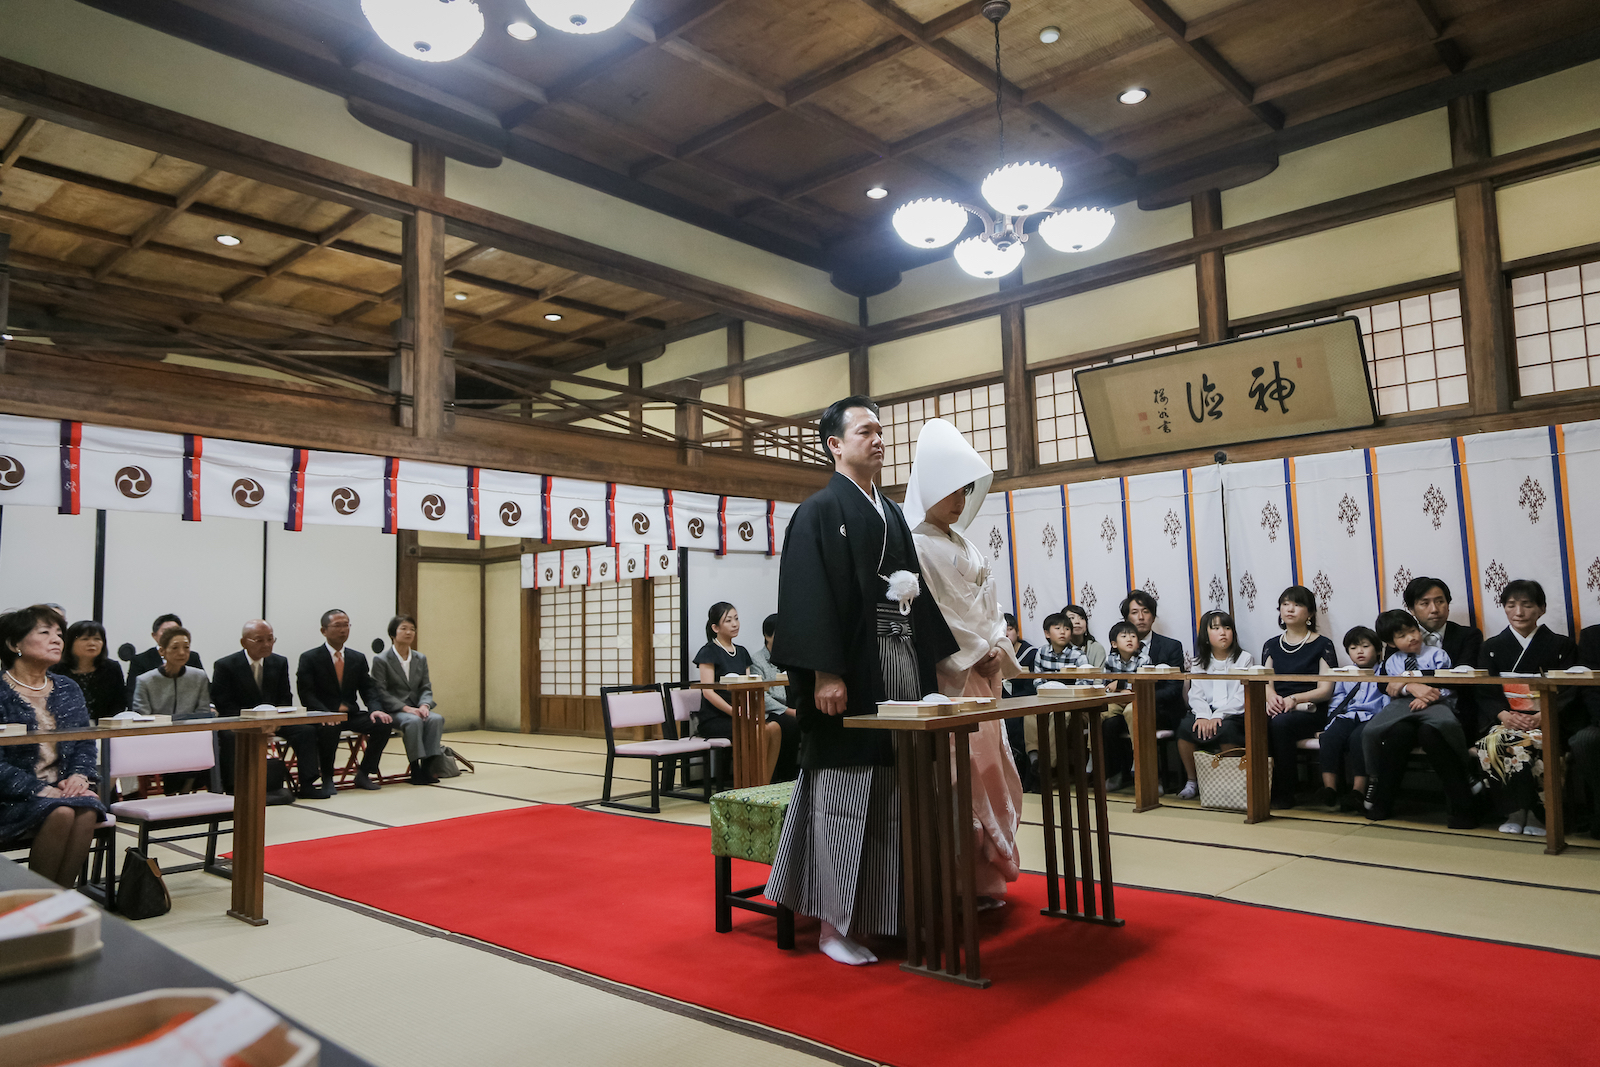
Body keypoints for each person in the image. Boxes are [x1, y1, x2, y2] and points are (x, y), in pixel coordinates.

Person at [766, 395, 958, 967]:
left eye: (881, 431)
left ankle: (885, 912)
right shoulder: (819, 511)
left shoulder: (892, 513)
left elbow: (916, 595)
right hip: (850, 672)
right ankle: (832, 925)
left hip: (897, 669)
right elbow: (806, 594)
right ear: (834, 445)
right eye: (865, 431)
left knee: (895, 796)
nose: (878, 439)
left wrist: (940, 666)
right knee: (846, 800)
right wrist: (824, 670)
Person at [906, 417, 1023, 908]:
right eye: (953, 491)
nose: (960, 501)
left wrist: (999, 645)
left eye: (965, 491)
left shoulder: (966, 545)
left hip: (985, 674)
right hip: (953, 678)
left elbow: (990, 610)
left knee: (992, 767)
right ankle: (954, 884)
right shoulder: (917, 544)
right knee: (957, 775)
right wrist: (980, 651)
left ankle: (984, 880)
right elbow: (941, 615)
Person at [0, 605, 107, 887]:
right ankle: (38, 904)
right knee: (61, 811)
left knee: (86, 810)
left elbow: (83, 741)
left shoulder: (67, 687)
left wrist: (79, 776)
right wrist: (38, 788)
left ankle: (59, 899)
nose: (57, 639)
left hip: (60, 788)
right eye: (45, 632)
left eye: (59, 633)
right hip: (11, 795)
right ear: (14, 644)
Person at [1476, 580, 1577, 836]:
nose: (1519, 612)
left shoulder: (1561, 645)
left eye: (1527, 605)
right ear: (1504, 608)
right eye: (1511, 605)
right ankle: (1515, 810)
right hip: (1508, 718)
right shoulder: (1491, 648)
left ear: (1541, 609)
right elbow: (1485, 691)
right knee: (1492, 742)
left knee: (1531, 744)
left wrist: (1545, 714)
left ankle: (1538, 812)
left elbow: (1570, 689)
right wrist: (1504, 715)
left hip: (1548, 717)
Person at [1361, 608, 1476, 828]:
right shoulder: (1392, 661)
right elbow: (1390, 688)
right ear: (1392, 643)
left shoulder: (1437, 654)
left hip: (1436, 703)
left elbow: (1448, 684)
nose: (1412, 637)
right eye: (1402, 635)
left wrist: (1428, 696)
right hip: (1404, 708)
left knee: (1446, 725)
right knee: (1372, 731)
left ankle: (1466, 774)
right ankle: (1375, 780)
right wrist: (1410, 689)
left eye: (1413, 631)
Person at [296, 609, 391, 793]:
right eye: (337, 625)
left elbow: (368, 688)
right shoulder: (310, 658)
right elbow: (306, 694)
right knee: (329, 727)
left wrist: (375, 709)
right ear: (324, 630)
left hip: (350, 713)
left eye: (346, 625)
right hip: (323, 713)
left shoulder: (357, 657)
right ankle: (327, 777)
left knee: (382, 723)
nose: (343, 630)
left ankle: (364, 773)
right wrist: (325, 713)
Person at [693, 603, 787, 785]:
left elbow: (747, 687)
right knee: (758, 730)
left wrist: (750, 712)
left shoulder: (742, 652)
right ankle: (748, 785)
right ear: (715, 627)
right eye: (728, 620)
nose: (735, 624)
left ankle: (763, 784)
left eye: (736, 618)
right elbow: (708, 692)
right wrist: (736, 713)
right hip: (716, 718)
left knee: (774, 728)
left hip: (741, 714)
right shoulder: (708, 652)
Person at [1261, 586, 1337, 809]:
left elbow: (1326, 689)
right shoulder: (1272, 644)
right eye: (1285, 604)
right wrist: (1272, 697)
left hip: (1311, 709)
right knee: (1254, 721)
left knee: (1281, 724)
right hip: (1278, 706)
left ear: (1310, 613)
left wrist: (1294, 699)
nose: (1290, 609)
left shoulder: (1323, 645)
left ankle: (1285, 791)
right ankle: (1258, 787)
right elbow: (1266, 681)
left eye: (1297, 604)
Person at [211, 619, 300, 795]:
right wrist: (255, 725)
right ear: (244, 642)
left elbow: (285, 698)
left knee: (305, 731)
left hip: (272, 721)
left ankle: (308, 783)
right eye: (259, 640)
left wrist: (274, 722)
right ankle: (233, 787)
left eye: (270, 639)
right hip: (241, 722)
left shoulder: (279, 662)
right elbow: (224, 704)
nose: (266, 644)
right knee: (228, 736)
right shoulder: (225, 665)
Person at [1312, 626, 1388, 813]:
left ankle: (1358, 791)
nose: (1359, 651)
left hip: (1372, 718)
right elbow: (1337, 701)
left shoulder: (1385, 673)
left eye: (1365, 646)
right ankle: (1330, 788)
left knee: (1358, 739)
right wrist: (1330, 725)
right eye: (1353, 648)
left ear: (1378, 650)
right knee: (1329, 737)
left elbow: (1387, 702)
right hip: (1347, 716)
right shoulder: (1345, 673)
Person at [132, 626, 216, 794]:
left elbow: (202, 710)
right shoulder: (145, 680)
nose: (182, 652)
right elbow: (143, 715)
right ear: (162, 651)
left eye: (186, 647)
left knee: (210, 741)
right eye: (175, 647)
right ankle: (176, 791)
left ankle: (192, 788)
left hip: (191, 732)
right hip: (159, 734)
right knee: (175, 745)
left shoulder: (198, 676)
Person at [1176, 610, 1250, 800]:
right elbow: (1196, 695)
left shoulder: (1245, 659)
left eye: (1227, 628)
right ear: (1206, 636)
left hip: (1233, 713)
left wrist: (1219, 715)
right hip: (1205, 712)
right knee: (1185, 727)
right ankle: (1192, 781)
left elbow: (1241, 697)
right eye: (1216, 628)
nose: (1223, 632)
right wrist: (1203, 716)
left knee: (1227, 729)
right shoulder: (1198, 662)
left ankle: (1231, 782)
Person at [1404, 577, 1483, 740]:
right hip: (1407, 709)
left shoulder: (1468, 636)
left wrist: (1410, 680)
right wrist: (1408, 687)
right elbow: (1384, 681)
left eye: (1440, 601)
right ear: (1411, 609)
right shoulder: (1400, 637)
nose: (1434, 609)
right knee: (1386, 735)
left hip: (1455, 709)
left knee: (1431, 733)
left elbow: (1463, 676)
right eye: (1425, 603)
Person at [371, 615, 446, 786]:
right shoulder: (381, 660)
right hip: (394, 710)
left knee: (435, 718)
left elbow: (426, 686)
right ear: (393, 633)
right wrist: (406, 708)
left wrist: (425, 705)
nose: (409, 632)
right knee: (413, 721)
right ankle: (415, 768)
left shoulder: (420, 658)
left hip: (417, 707)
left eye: (412, 629)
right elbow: (381, 692)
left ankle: (428, 766)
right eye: (404, 628)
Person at [1121, 590, 1186, 727]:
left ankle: (1143, 750)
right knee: (1107, 718)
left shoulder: (1171, 646)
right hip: (1126, 704)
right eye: (1134, 612)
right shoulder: (1120, 645)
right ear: (1126, 619)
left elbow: (1174, 689)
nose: (1141, 617)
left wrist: (1139, 697)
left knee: (1135, 711)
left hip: (1161, 709)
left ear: (1153, 617)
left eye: (1145, 611)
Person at [747, 614, 800, 782]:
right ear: (767, 636)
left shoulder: (791, 656)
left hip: (793, 706)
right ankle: (785, 777)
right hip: (772, 710)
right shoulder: (757, 660)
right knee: (791, 724)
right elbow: (761, 695)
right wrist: (789, 711)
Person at [1097, 620, 1148, 789]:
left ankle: (1137, 760)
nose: (1130, 639)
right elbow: (1107, 686)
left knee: (1130, 712)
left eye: (1133, 636)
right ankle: (1097, 761)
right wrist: (1121, 688)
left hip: (1137, 699)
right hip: (1118, 700)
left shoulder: (1144, 658)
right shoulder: (1110, 660)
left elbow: (1142, 684)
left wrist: (1120, 685)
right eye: (1124, 636)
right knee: (1102, 713)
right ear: (1114, 643)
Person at [50, 619, 125, 721]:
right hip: (65, 729)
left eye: (97, 639)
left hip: (105, 729)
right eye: (85, 639)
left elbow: (119, 704)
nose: (92, 643)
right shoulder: (55, 669)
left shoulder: (112, 668)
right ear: (70, 642)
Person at [124, 612, 203, 705]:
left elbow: (203, 686)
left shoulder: (192, 657)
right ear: (154, 636)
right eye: (166, 631)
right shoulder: (140, 660)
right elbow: (132, 693)